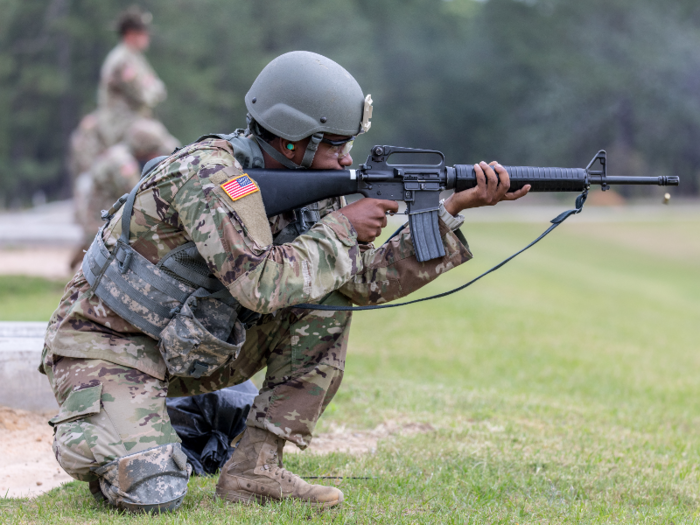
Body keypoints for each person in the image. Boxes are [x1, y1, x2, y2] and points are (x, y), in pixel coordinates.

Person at [41, 51, 530, 513]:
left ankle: (256, 468)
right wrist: (343, 229)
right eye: (336, 144)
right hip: (107, 347)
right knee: (153, 490)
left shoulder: (307, 186)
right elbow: (260, 285)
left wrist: (452, 211)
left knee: (329, 299)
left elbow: (359, 283)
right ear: (295, 139)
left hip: (190, 345)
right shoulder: (209, 177)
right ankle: (104, 433)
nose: (345, 159)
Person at [71, 118, 179, 269]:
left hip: (102, 211)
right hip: (98, 215)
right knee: (99, 255)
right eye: (154, 150)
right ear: (143, 147)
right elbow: (139, 194)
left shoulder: (124, 151)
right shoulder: (121, 162)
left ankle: (77, 260)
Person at [96, 5, 167, 147]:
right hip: (120, 126)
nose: (147, 37)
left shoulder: (136, 58)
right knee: (165, 145)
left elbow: (160, 90)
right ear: (130, 34)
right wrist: (150, 88)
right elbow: (143, 96)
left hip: (134, 122)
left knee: (169, 143)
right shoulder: (122, 61)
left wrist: (151, 88)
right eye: (143, 33)